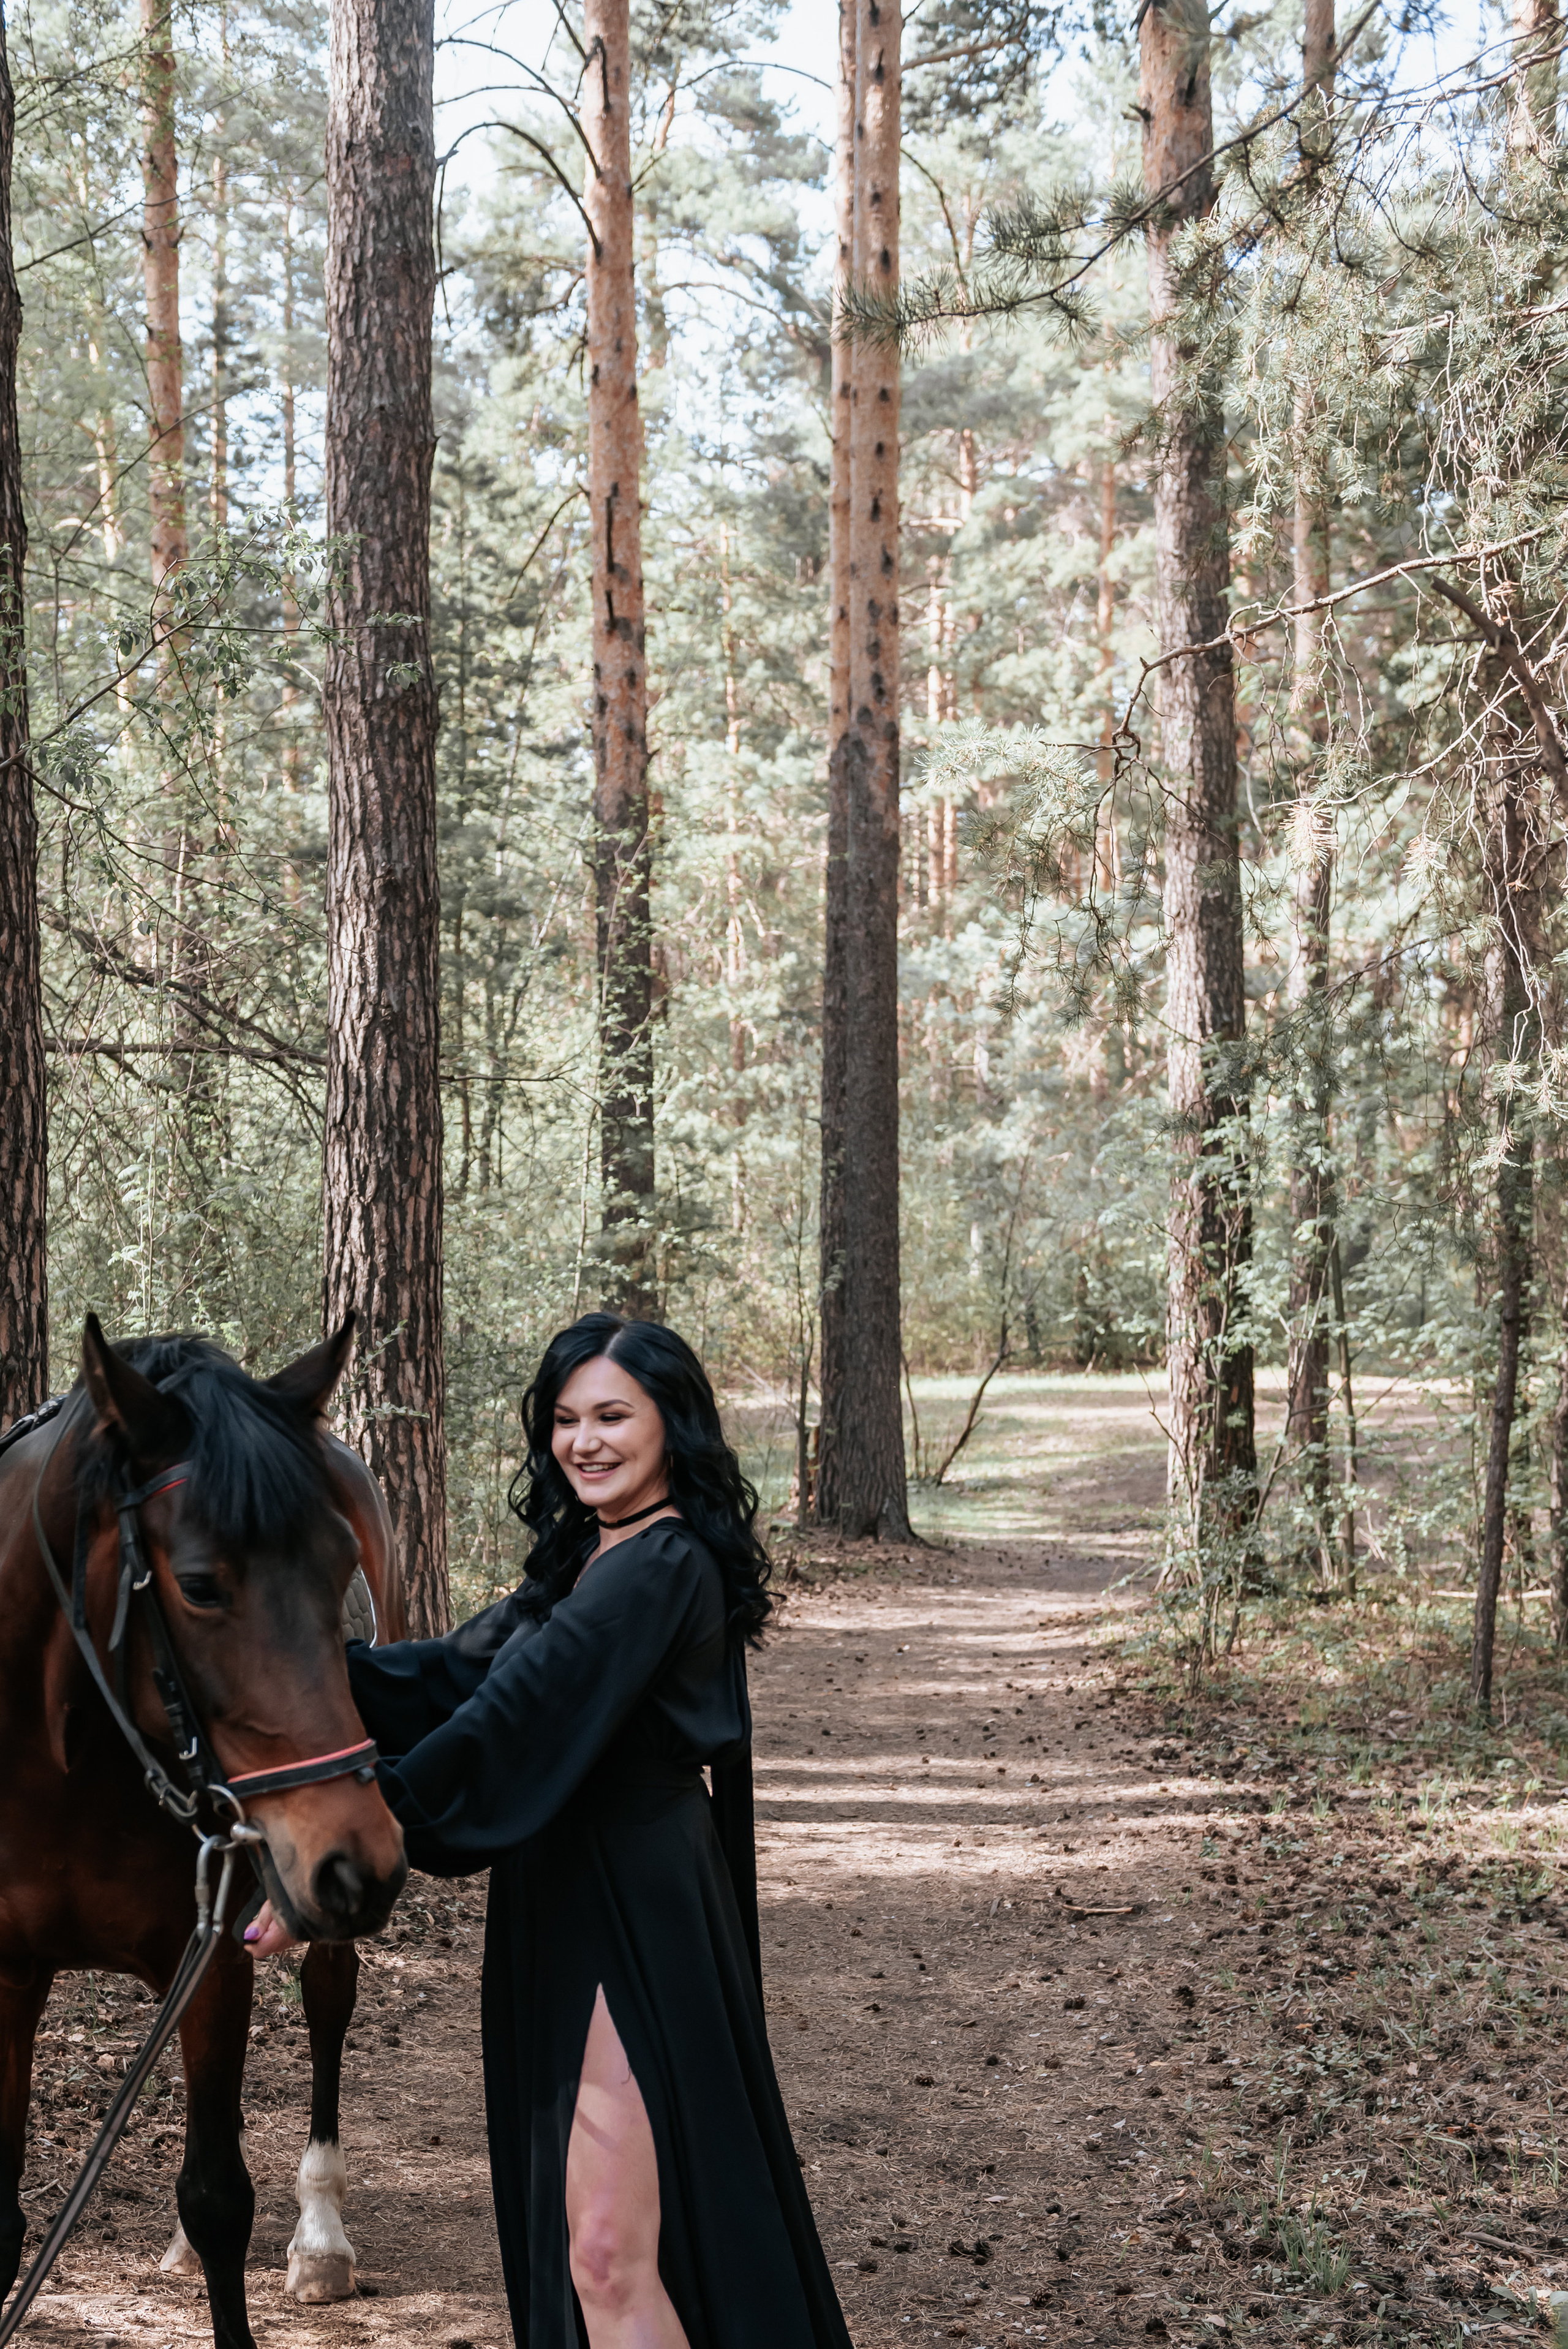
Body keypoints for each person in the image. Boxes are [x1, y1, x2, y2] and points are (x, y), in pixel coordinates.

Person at [246, 1313, 853, 2349]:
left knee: (609, 2252)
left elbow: (511, 1724)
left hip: (635, 1905)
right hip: (565, 1895)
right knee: (601, 2250)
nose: (586, 1441)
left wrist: (345, 1862)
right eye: (566, 1419)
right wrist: (275, 1674)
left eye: (614, 1415)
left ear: (676, 1425)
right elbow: (448, 1675)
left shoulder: (660, 1566)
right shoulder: (589, 1557)